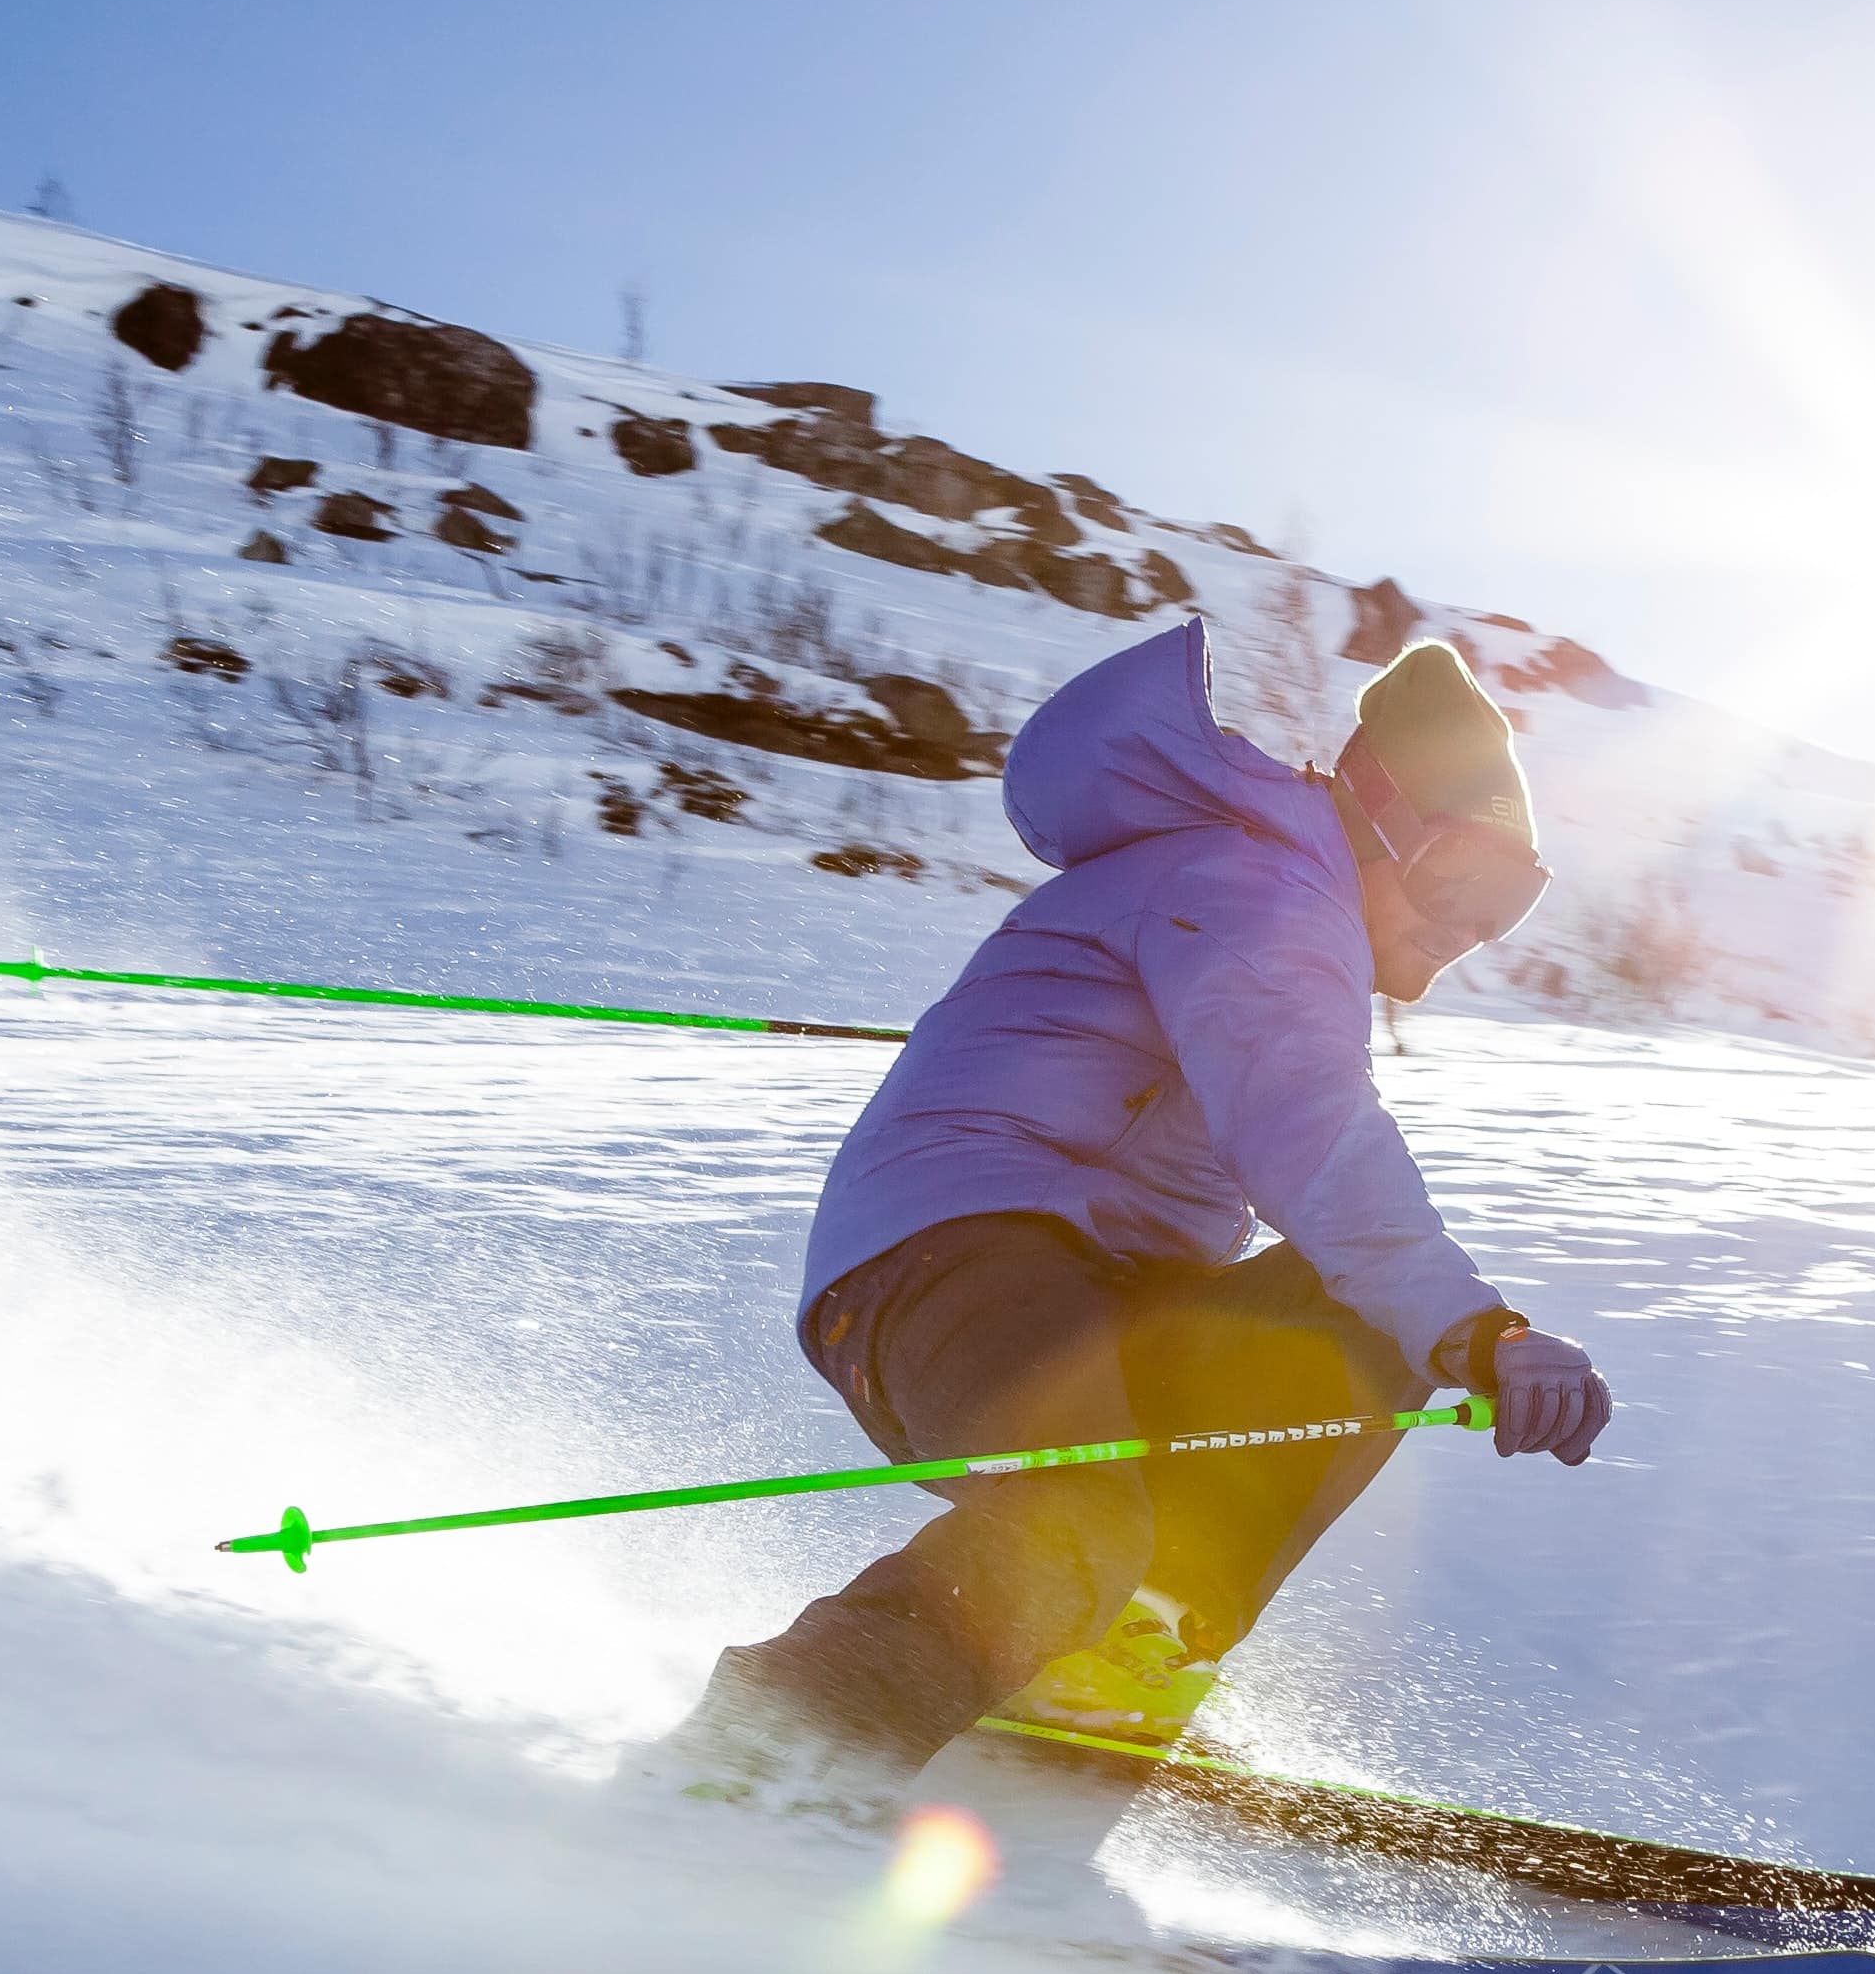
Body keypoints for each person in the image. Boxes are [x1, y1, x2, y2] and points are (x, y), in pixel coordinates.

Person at [655, 619, 1611, 1813]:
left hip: (1093, 1288)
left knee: (1343, 1320)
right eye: (1462, 885)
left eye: (1506, 910)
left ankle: (1098, 1684)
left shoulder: (1268, 894)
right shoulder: (1258, 883)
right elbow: (1306, 1125)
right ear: (1379, 821)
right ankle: (772, 1754)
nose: (1463, 936)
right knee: (1086, 1503)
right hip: (950, 1260)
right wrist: (1480, 1328)